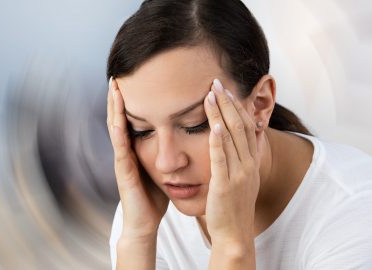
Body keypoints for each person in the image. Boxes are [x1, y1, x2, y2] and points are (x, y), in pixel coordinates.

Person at [106, 0, 372, 269]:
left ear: (260, 104)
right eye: (141, 130)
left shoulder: (356, 212)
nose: (167, 162)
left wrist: (232, 245)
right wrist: (137, 237)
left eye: (194, 125)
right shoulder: (146, 214)